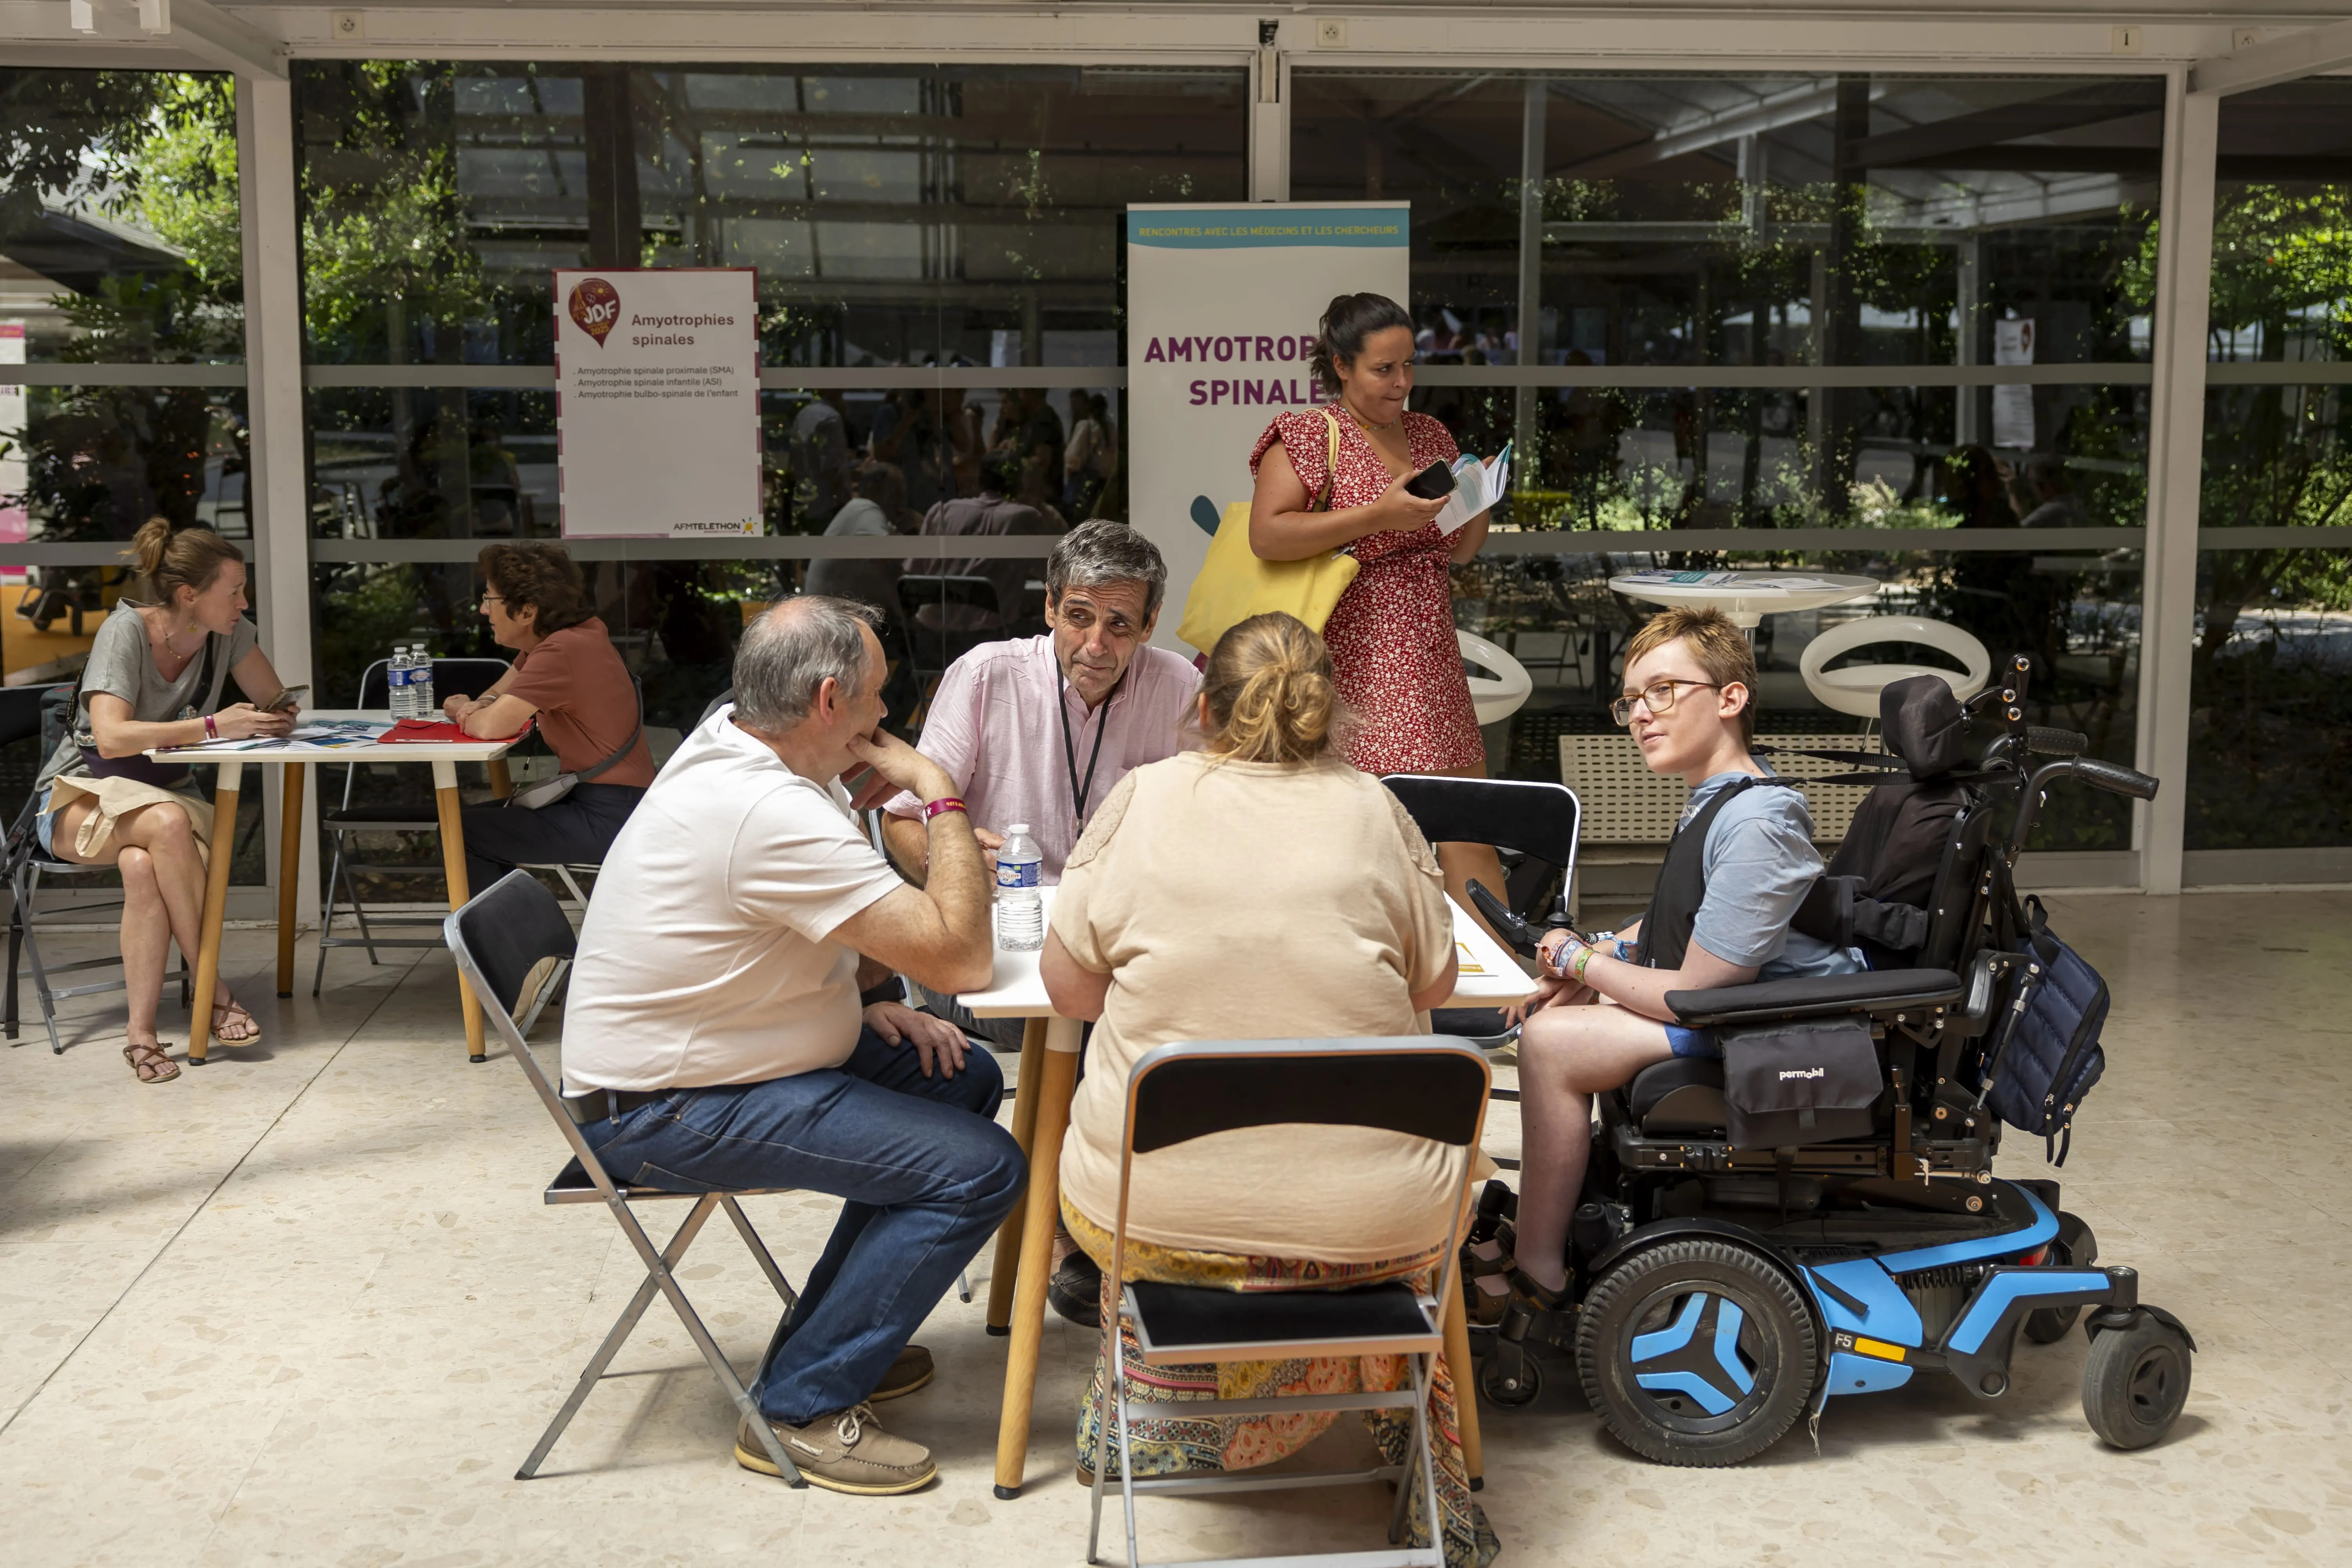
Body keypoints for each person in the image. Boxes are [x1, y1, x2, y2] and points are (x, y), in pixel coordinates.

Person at [1039, 612, 1497, 1568]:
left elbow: (1072, 993)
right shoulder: (1375, 807)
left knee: (1087, 1139)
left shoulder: (1143, 798)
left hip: (1152, 1217)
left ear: (1202, 709)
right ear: (1330, 711)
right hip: (1383, 1225)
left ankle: (1153, 1424)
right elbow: (1435, 987)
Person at [558, 595, 1024, 1496]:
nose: (886, 717)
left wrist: (871, 994)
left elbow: (773, 927)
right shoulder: (769, 809)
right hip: (667, 1105)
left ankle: (845, 1339)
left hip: (720, 1054)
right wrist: (940, 792)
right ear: (826, 701)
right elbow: (963, 956)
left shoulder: (737, 740)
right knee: (982, 1168)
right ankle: (800, 1407)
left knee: (958, 1073)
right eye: (877, 697)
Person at [1501, 607, 1862, 1307]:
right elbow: (1688, 918)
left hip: (1760, 1025)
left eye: (1663, 691)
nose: (1641, 714)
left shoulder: (1758, 821)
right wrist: (1602, 952)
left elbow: (1698, 991)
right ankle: (1561, 1224)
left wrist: (1581, 965)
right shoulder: (1717, 798)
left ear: (1731, 698)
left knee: (1550, 1044)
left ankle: (1536, 1273)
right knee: (1572, 1010)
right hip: (1730, 1004)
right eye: (1632, 700)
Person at [1247, 290, 1511, 929]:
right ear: (1341, 365)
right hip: (1354, 652)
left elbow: (1459, 550)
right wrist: (1377, 517)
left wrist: (1480, 496)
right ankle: (1359, 977)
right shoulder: (1311, 433)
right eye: (1383, 369)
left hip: (1428, 653)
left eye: (1409, 366)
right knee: (1358, 832)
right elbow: (1268, 535)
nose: (1402, 383)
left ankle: (1504, 991)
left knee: (1466, 823)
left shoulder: (1429, 434)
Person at [880, 521, 1196, 1028]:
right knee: (1069, 1025)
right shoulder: (985, 676)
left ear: (1150, 623)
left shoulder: (1180, 686)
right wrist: (948, 865)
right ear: (1050, 607)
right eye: (1078, 617)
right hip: (998, 939)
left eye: (1119, 625)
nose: (1095, 644)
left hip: (1117, 944)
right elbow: (899, 822)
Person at [33, 517, 296, 1083]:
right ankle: (213, 990)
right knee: (168, 825)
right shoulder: (125, 632)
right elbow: (110, 737)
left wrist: (276, 714)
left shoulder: (230, 632)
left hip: (159, 802)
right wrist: (211, 725)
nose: (243, 601)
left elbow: (271, 697)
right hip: (79, 796)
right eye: (235, 590)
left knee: (142, 862)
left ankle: (141, 1034)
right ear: (188, 595)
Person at [443, 543, 655, 893]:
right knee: (468, 825)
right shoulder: (576, 636)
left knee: (461, 833)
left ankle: (508, 946)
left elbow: (491, 726)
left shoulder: (560, 651)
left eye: (490, 599)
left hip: (607, 815)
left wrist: (470, 712)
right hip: (614, 803)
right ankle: (514, 941)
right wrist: (482, 703)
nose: (482, 610)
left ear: (526, 611)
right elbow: (500, 690)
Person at [910, 448, 1062, 634]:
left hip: (929, 636)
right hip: (988, 640)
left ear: (980, 479)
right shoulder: (1025, 518)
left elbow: (914, 572)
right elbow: (1056, 578)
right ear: (1020, 483)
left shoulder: (941, 511)